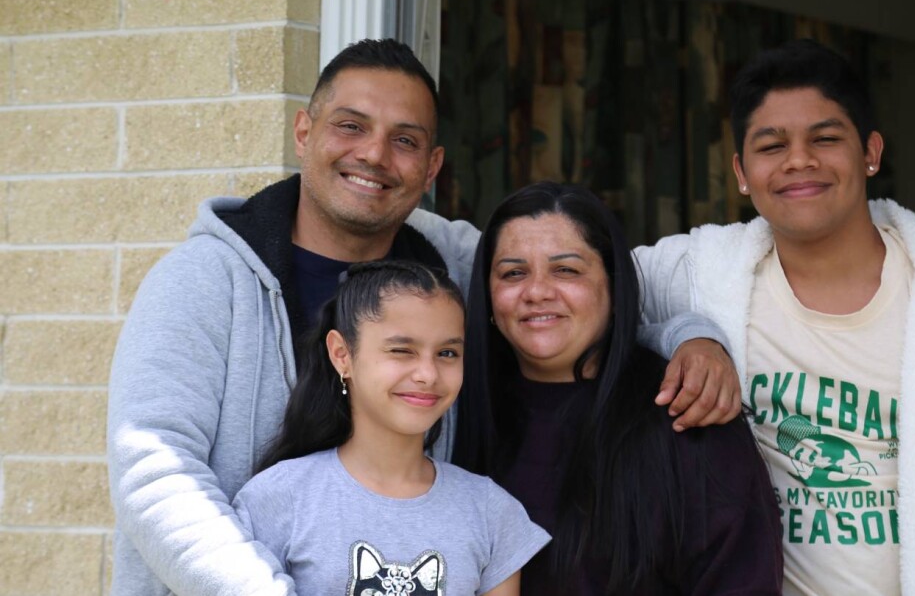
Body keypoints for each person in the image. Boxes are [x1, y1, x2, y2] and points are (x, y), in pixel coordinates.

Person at [107, 38, 739, 594]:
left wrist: (690, 337)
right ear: (304, 133)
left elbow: (568, 300)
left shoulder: (451, 266)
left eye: (405, 140)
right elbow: (155, 472)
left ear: (431, 167)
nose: (376, 156)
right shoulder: (205, 281)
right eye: (351, 126)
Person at [634, 39, 915, 595]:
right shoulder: (693, 278)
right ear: (741, 172)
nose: (800, 160)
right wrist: (689, 334)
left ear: (870, 152)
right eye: (772, 145)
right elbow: (565, 301)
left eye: (825, 138)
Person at [451, 182, 783, 595]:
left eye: (566, 270)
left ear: (613, 285)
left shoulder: (686, 407)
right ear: (487, 293)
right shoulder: (449, 413)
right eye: (513, 273)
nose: (536, 292)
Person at [231, 260, 549, 594]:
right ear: (342, 354)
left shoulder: (491, 512)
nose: (428, 374)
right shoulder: (275, 500)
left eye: (447, 353)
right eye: (401, 350)